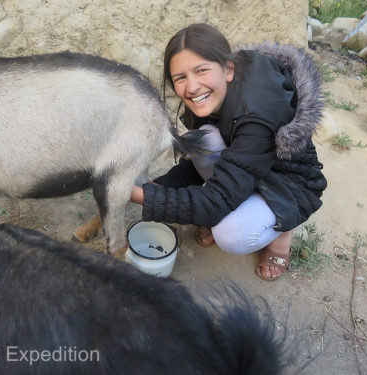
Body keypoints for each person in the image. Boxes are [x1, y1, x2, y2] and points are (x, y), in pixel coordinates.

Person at [130, 23, 327, 281]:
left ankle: (282, 235)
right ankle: (241, 204)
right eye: (180, 78)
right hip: (247, 167)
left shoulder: (257, 114)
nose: (191, 87)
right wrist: (160, 185)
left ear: (228, 70)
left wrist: (134, 193)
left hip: (289, 184)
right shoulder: (216, 95)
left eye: (201, 71)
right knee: (203, 139)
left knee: (230, 233)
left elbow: (215, 201)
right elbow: (197, 163)